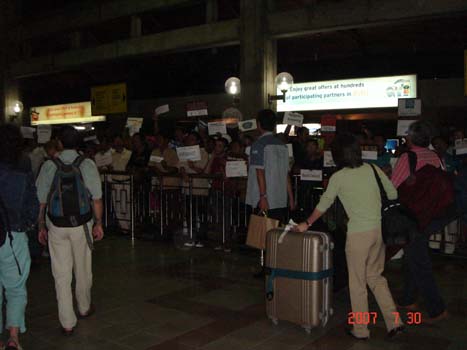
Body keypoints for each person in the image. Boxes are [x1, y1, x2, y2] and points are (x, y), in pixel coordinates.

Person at [293, 133, 404, 340]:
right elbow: (393, 195)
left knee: (357, 282)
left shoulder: (339, 177)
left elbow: (323, 205)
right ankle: (394, 322)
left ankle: (361, 329)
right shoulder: (374, 169)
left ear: (337, 155)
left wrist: (306, 223)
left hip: (358, 235)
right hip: (378, 232)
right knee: (376, 278)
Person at [36, 126, 104, 335]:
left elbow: (41, 200)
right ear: (78, 143)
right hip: (81, 225)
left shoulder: (49, 165)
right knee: (83, 268)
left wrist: (40, 225)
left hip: (56, 226)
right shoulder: (87, 164)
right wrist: (98, 222)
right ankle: (83, 307)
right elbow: (97, 198)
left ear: (60, 143)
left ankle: (67, 322)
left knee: (61, 275)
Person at [391, 120, 449, 323]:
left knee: (419, 261)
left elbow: (393, 188)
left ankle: (437, 308)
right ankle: (408, 299)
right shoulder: (435, 156)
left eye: (407, 134)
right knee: (413, 255)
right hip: (432, 215)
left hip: (413, 218)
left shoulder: (407, 158)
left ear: (412, 138)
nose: (405, 136)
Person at [0, 124, 39, 350]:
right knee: (15, 287)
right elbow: (31, 202)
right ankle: (13, 336)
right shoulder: (23, 164)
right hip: (14, 236)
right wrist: (26, 224)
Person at [246, 110, 295, 275]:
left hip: (266, 198)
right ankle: (274, 265)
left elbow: (259, 172)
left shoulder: (258, 145)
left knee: (264, 235)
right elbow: (286, 174)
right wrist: (291, 197)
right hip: (280, 197)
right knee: (276, 234)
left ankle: (267, 268)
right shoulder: (282, 146)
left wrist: (262, 196)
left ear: (259, 125)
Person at [177, 131, 210, 248]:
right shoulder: (184, 152)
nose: (189, 141)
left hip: (199, 188)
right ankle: (192, 237)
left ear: (197, 141)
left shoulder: (203, 152)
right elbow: (180, 165)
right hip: (187, 188)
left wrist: (192, 166)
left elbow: (202, 170)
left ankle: (202, 238)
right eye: (188, 139)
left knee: (201, 214)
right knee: (189, 213)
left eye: (192, 139)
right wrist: (184, 172)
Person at [206, 138, 236, 252]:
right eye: (216, 145)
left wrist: (224, 168)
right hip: (215, 189)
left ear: (224, 148)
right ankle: (219, 240)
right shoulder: (214, 159)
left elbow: (229, 176)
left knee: (225, 217)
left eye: (219, 145)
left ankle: (226, 241)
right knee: (217, 216)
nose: (216, 147)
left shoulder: (227, 159)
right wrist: (212, 158)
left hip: (225, 190)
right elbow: (207, 172)